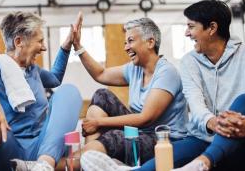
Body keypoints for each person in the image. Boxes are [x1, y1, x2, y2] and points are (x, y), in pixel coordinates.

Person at [138, 0, 245, 171]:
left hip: (242, 138)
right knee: (157, 164)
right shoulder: (189, 61)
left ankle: (203, 162)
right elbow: (196, 106)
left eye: (191, 26)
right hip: (201, 138)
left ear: (212, 28)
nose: (186, 33)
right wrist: (214, 123)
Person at [0, 12, 83, 171]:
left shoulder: (33, 70)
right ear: (19, 42)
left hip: (42, 149)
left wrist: (67, 46)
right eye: (40, 41)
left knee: (69, 91)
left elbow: (55, 79)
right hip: (7, 149)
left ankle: (44, 165)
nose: (44, 47)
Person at [73, 17, 188, 170]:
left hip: (164, 142)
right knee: (102, 96)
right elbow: (100, 74)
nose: (126, 47)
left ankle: (78, 161)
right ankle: (89, 161)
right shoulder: (134, 69)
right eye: (125, 43)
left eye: (131, 41)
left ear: (150, 42)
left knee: (114, 138)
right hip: (140, 133)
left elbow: (145, 118)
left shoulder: (167, 73)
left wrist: (98, 123)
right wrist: (78, 47)